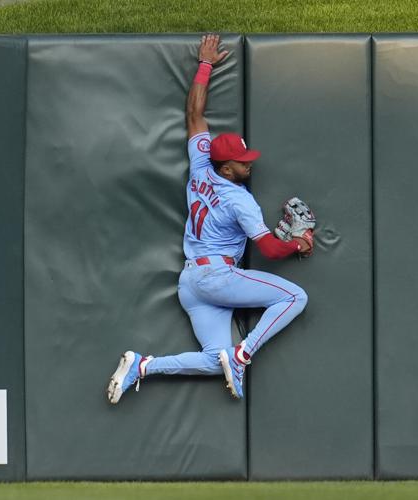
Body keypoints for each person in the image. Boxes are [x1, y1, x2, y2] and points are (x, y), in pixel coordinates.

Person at [107, 34, 311, 404]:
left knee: (213, 361)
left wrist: (205, 66)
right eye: (243, 162)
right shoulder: (238, 200)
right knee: (296, 297)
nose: (249, 164)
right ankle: (244, 353)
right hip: (216, 277)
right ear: (227, 167)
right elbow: (268, 249)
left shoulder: (202, 166)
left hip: (192, 284)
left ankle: (142, 366)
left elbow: (194, 115)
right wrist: (298, 243)